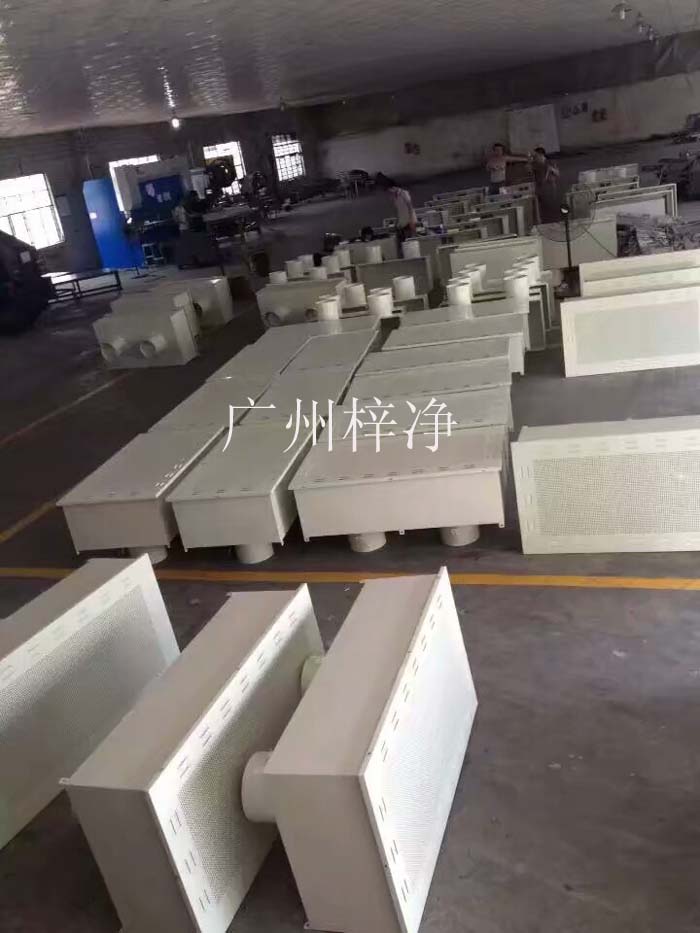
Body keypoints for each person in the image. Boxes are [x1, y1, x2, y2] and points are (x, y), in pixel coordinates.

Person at [376, 173, 417, 241]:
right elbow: (398, 210)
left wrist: (411, 220)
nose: (389, 192)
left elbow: (410, 207)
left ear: (393, 187)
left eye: (389, 190)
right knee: (402, 240)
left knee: (411, 240)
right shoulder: (394, 197)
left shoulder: (404, 193)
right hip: (402, 222)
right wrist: (397, 222)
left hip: (409, 221)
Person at [532, 147, 561, 223]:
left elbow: (558, 174)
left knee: (552, 206)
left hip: (550, 187)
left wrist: (551, 169)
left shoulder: (550, 162)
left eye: (536, 156)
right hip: (540, 188)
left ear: (541, 155)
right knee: (542, 208)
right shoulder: (535, 165)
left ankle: (555, 220)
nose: (534, 157)